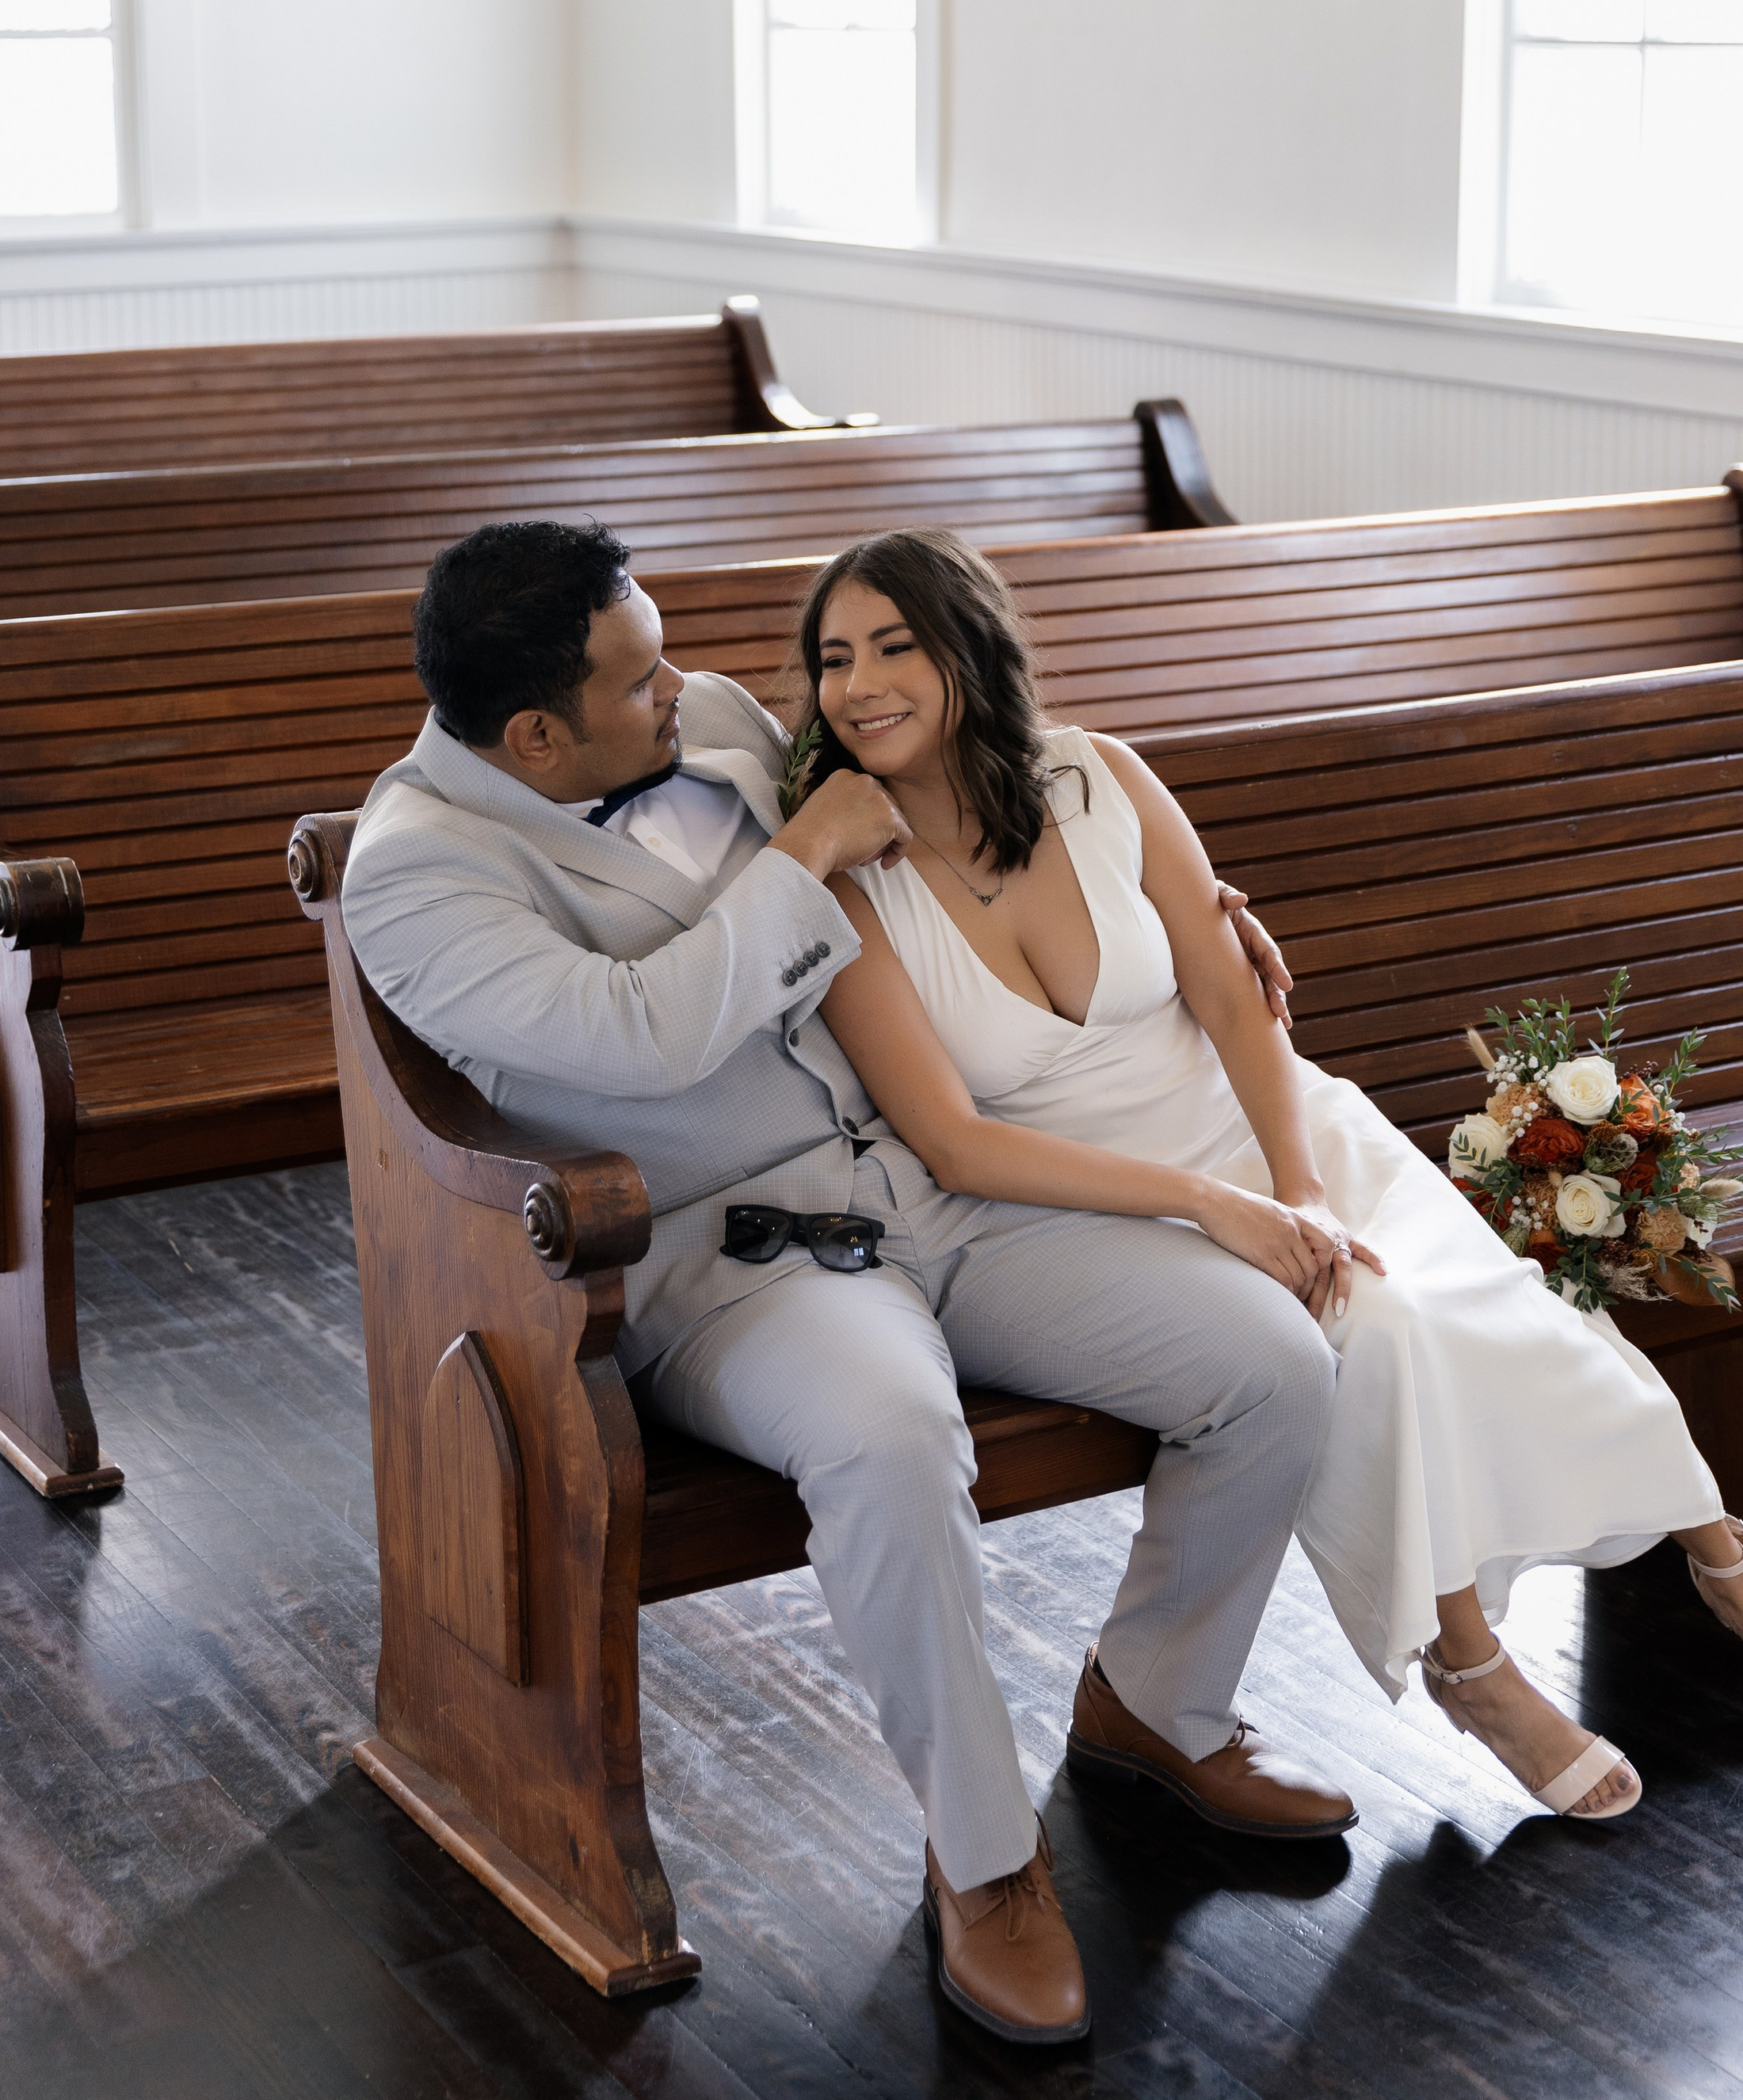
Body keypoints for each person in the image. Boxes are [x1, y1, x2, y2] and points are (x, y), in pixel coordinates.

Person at [341, 517, 1358, 2052]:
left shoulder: (707, 718)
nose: (685, 686)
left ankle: (1159, 1701)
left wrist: (1182, 909)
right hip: (728, 1257)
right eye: (638, 678)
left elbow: (940, 771)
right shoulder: (416, 874)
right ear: (536, 735)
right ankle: (987, 1861)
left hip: (933, 1169)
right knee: (888, 1435)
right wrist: (803, 853)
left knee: (1272, 1360)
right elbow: (642, 1032)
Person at [795, 526, 1743, 1829]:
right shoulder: (848, 887)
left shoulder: (1099, 777)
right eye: (834, 659)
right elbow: (956, 1142)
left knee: (1510, 1308)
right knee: (1380, 1322)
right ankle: (1472, 1663)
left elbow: (1234, 1001)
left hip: (1278, 1127)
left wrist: (1297, 1183)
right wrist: (1223, 1207)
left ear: (968, 648)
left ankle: (1722, 1557)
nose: (860, 684)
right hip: (1113, 1201)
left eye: (894, 646)